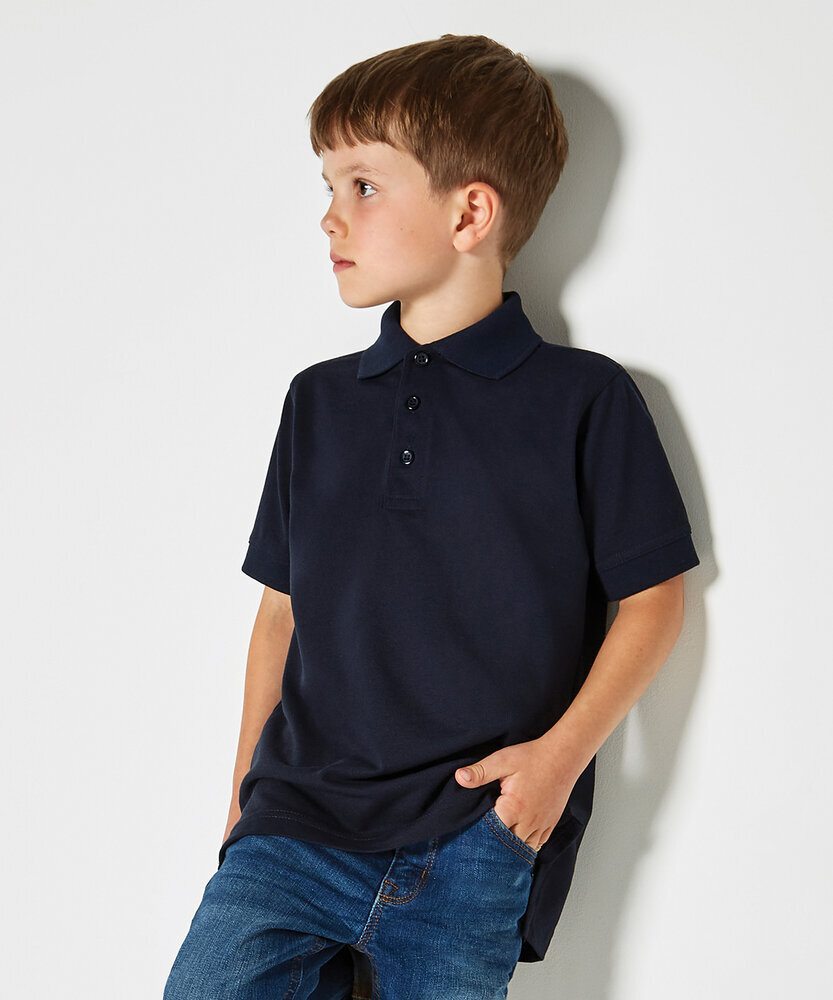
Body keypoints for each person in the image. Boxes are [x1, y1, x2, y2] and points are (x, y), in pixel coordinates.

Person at [164, 33, 699, 1000]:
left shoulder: (584, 399)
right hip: (290, 835)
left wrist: (552, 768)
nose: (330, 214)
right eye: (328, 184)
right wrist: (243, 806)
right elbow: (279, 614)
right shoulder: (317, 401)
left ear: (470, 212)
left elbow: (654, 599)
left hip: (471, 840)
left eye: (363, 185)